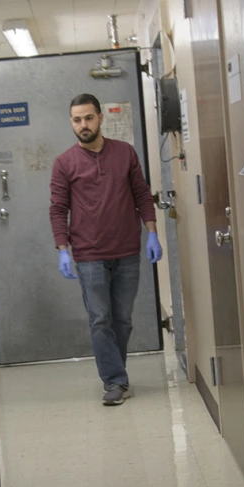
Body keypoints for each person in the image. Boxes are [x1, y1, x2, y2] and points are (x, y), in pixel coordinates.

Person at [50, 93, 162, 406]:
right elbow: (58, 208)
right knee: (100, 319)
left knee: (122, 319)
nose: (83, 125)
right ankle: (115, 380)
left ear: (100, 118)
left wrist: (152, 233)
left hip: (127, 249)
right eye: (76, 120)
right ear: (71, 123)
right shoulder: (64, 163)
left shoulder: (125, 153)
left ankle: (117, 373)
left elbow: (142, 195)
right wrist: (62, 248)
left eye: (88, 118)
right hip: (88, 254)